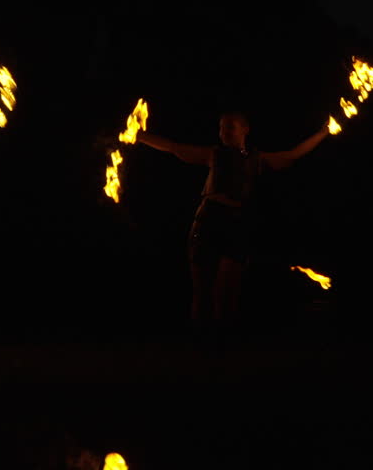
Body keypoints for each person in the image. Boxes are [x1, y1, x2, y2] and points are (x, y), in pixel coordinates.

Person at [137, 111, 330, 341]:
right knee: (202, 290)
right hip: (208, 220)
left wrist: (323, 132)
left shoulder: (257, 158)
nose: (223, 132)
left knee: (227, 291)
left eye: (230, 127)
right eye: (221, 128)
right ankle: (201, 344)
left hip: (237, 223)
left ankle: (223, 344)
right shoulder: (214, 154)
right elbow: (173, 147)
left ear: (244, 129)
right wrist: (138, 135)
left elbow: (293, 154)